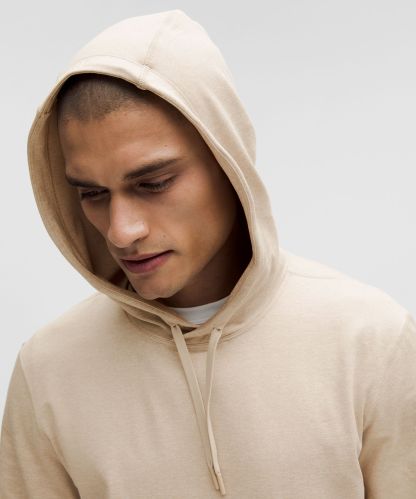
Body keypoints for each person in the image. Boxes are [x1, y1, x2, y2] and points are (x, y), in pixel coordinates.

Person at [0, 9, 414, 499]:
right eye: (92, 193)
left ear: (228, 161)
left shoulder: (370, 341)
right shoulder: (49, 371)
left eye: (153, 183)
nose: (121, 230)